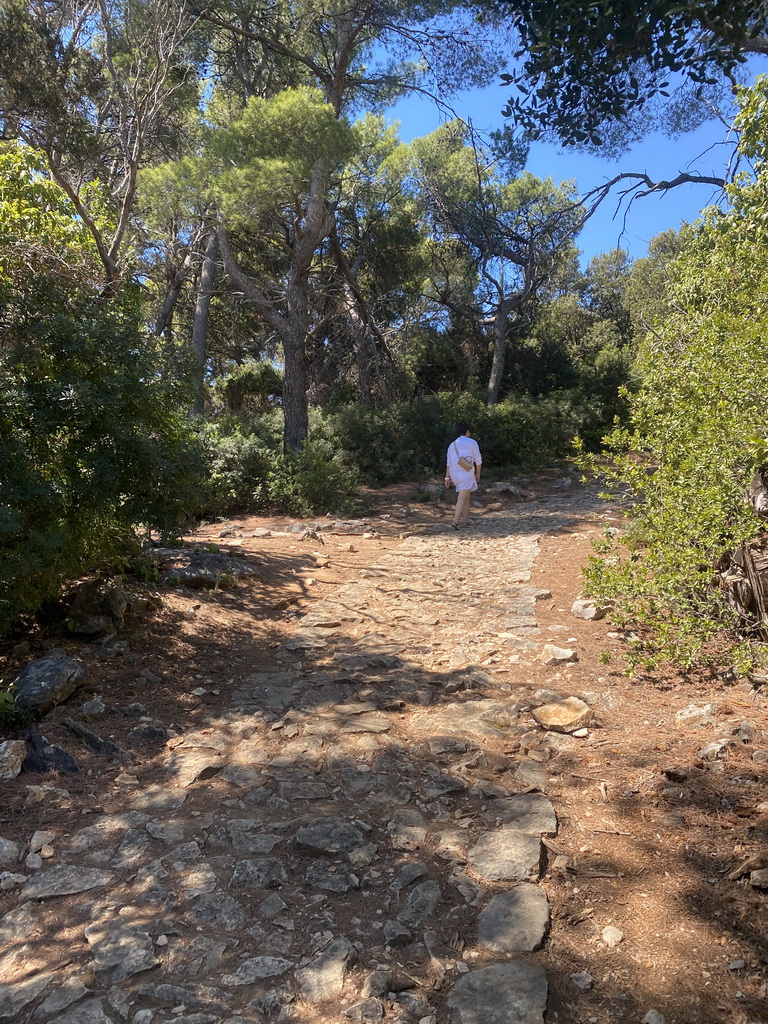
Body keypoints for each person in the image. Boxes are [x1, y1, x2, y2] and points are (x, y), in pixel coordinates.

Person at [445, 421, 482, 530]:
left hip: (454, 472)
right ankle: (455, 521)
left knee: (466, 496)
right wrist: (478, 473)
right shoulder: (472, 442)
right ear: (467, 431)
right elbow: (478, 460)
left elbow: (448, 462)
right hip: (465, 472)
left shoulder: (452, 445)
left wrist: (447, 477)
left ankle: (466, 520)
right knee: (462, 497)